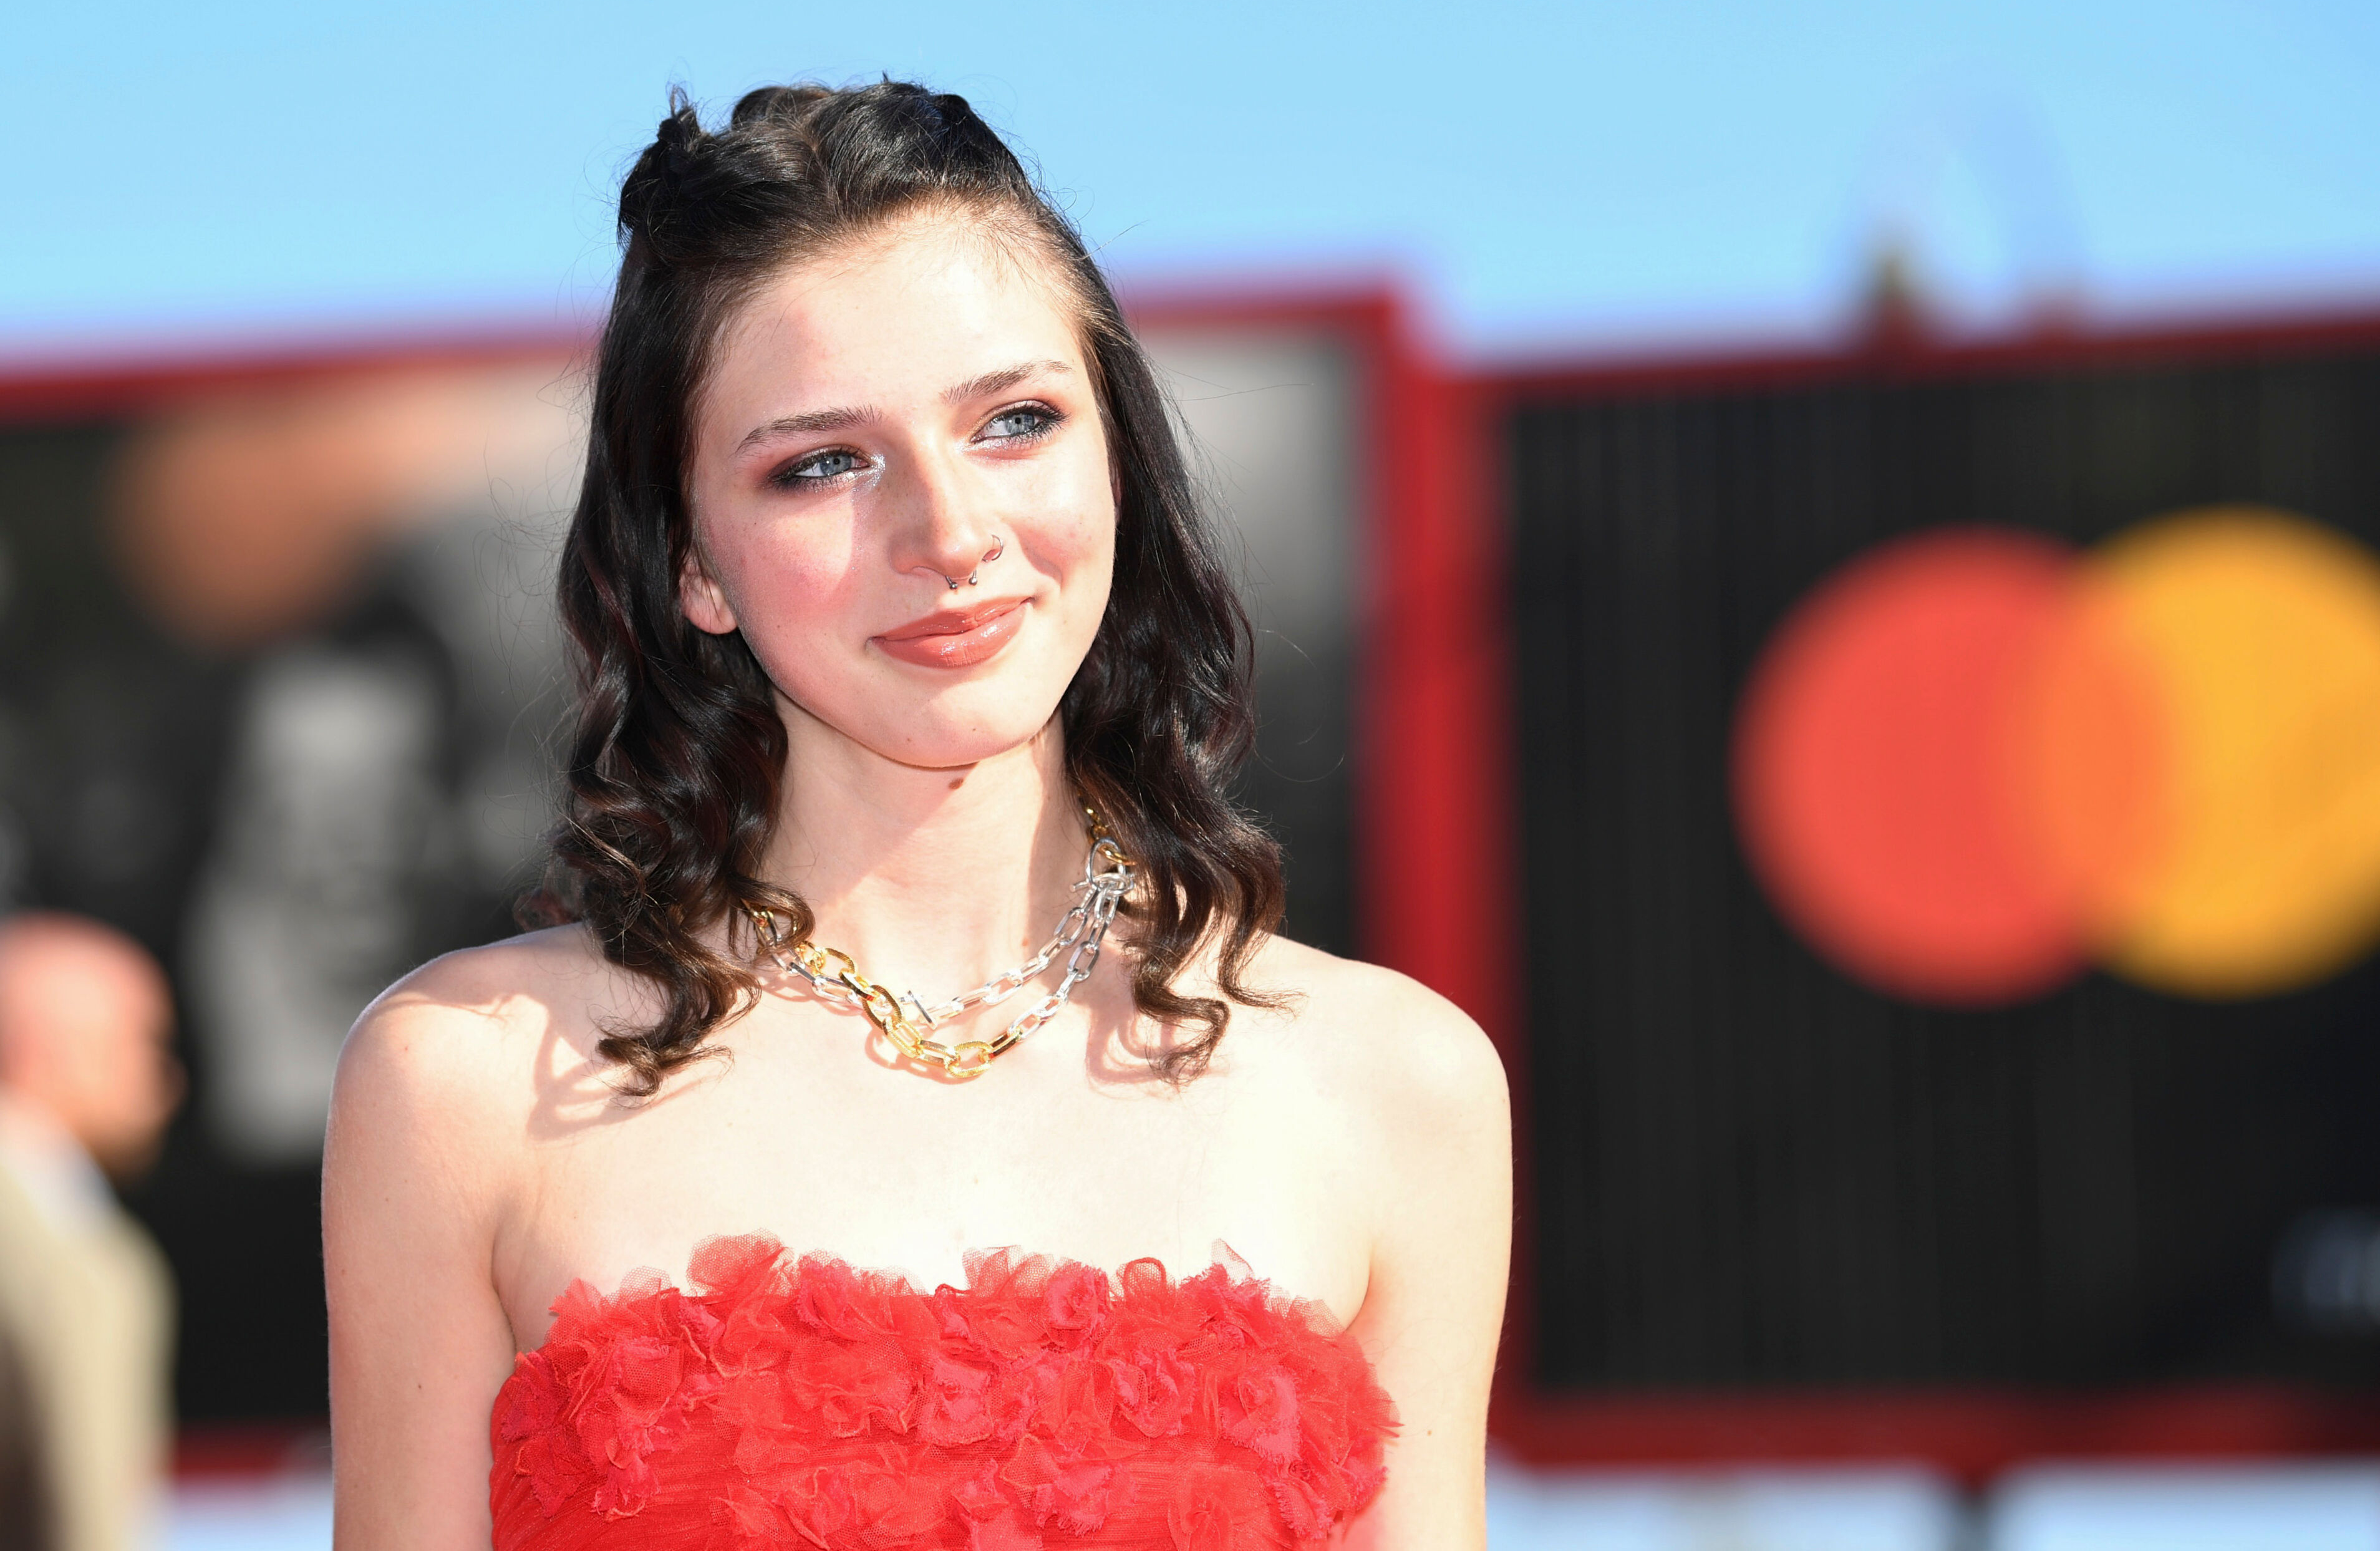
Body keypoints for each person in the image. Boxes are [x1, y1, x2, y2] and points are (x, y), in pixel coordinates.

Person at [324, 81, 1511, 1550]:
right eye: (821, 463)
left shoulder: (1393, 1086)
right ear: (692, 561)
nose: (949, 533)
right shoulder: (462, 1084)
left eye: (1015, 421)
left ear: (1117, 463)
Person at [0, 912, 183, 1551]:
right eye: (144, 1041)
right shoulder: (73, 1251)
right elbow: (88, 1518)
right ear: (44, 1049)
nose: (168, 1079)